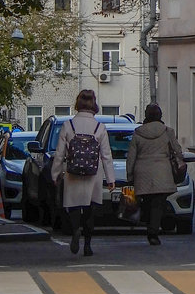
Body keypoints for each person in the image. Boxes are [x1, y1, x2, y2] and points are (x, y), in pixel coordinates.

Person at [51, 89, 115, 256]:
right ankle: (87, 244)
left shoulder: (68, 125)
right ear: (94, 104)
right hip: (93, 174)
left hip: (72, 172)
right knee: (90, 209)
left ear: (78, 104)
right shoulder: (100, 127)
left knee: (73, 206)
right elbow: (106, 155)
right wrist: (111, 179)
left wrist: (55, 174)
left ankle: (74, 230)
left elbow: (59, 154)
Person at [126, 103, 184, 245]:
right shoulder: (167, 131)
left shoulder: (138, 132)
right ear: (160, 116)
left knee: (146, 201)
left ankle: (147, 223)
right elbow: (177, 150)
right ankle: (153, 232)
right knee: (158, 203)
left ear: (146, 116)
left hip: (142, 172)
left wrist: (129, 175)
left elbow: (131, 156)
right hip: (162, 172)